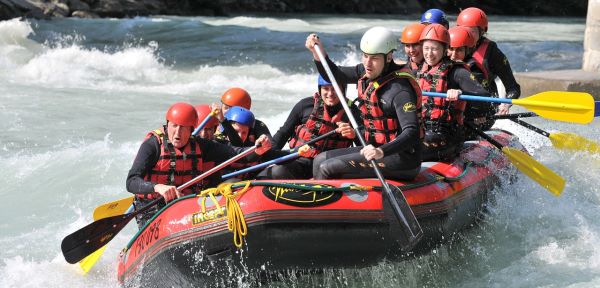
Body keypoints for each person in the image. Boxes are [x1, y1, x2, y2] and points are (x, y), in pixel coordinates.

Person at [305, 26, 424, 180]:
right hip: (375, 149)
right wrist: (318, 53)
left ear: (388, 57)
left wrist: (382, 151)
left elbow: (412, 132)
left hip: (403, 159)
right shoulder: (367, 72)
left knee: (327, 167)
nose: (368, 63)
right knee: (320, 159)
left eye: (374, 58)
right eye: (365, 56)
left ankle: (329, 201)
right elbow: (334, 74)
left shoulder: (400, 90)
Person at [126, 102, 272, 228]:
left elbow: (237, 154)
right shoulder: (153, 145)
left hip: (185, 206)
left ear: (191, 130)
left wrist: (258, 150)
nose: (177, 133)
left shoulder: (201, 146)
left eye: (183, 128)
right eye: (174, 126)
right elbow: (131, 181)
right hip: (152, 208)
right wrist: (158, 187)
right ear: (167, 125)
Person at [256, 75, 358, 179]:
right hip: (301, 160)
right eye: (326, 88)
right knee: (277, 171)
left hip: (330, 166)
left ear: (343, 89)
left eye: (335, 89)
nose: (330, 93)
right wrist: (267, 154)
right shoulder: (305, 105)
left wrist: (354, 134)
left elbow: (364, 145)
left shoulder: (353, 112)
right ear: (320, 89)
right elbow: (283, 133)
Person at [415, 24, 491, 161]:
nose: (429, 53)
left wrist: (460, 93)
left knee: (410, 149)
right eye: (426, 48)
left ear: (444, 50)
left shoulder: (457, 72)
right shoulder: (421, 71)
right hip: (423, 129)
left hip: (448, 135)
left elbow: (485, 98)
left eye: (434, 49)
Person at [457, 7, 521, 119]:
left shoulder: (492, 52)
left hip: (482, 112)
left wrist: (505, 104)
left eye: (472, 31)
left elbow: (513, 88)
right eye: (464, 31)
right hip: (456, 107)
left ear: (482, 32)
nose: (467, 36)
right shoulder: (451, 48)